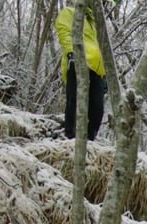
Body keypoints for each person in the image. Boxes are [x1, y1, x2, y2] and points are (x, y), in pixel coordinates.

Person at [55, 3, 110, 140]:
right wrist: (71, 53)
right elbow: (64, 33)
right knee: (74, 102)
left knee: (97, 110)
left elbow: (101, 49)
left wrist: (105, 75)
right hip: (78, 62)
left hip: (97, 71)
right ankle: (69, 138)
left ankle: (89, 141)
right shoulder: (69, 12)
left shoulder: (97, 24)